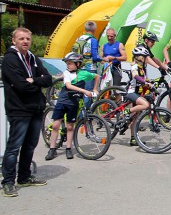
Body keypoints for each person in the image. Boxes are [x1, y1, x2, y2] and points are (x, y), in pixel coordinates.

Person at [1, 27, 52, 197]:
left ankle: (24, 177)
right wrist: (36, 83)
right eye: (21, 39)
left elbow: (48, 79)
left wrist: (34, 80)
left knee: (30, 146)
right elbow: (21, 85)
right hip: (19, 109)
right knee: (14, 146)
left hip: (36, 108)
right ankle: (8, 181)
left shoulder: (33, 58)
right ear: (14, 41)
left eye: (27, 39)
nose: (25, 41)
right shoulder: (10, 59)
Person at [45, 53, 100, 160]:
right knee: (56, 125)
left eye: (70, 63)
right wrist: (85, 91)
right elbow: (69, 86)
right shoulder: (66, 73)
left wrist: (95, 89)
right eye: (67, 63)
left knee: (70, 126)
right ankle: (52, 149)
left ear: (78, 64)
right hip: (63, 100)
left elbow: (97, 76)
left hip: (74, 102)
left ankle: (69, 148)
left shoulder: (84, 73)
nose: (68, 65)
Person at [122, 46, 155, 146]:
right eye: (145, 57)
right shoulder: (134, 66)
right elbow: (135, 76)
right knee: (145, 105)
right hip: (132, 93)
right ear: (140, 57)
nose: (147, 59)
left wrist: (152, 83)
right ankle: (126, 111)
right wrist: (145, 82)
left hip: (139, 93)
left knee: (135, 118)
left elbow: (145, 79)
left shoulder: (143, 68)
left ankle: (133, 139)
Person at [73, 21, 102, 108]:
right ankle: (84, 117)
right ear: (94, 29)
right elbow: (95, 57)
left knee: (79, 91)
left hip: (79, 69)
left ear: (85, 29)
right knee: (88, 92)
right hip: (90, 68)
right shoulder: (93, 40)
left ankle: (76, 114)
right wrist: (103, 59)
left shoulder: (78, 39)